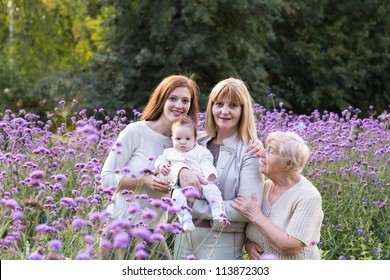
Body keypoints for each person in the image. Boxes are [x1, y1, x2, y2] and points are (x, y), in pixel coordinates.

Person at [100, 74, 200, 260]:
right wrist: (144, 181)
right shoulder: (136, 132)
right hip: (122, 227)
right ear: (162, 99)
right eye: (173, 98)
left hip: (154, 232)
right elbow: (105, 179)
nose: (179, 105)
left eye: (185, 100)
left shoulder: (185, 143)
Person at [173, 77, 264, 260]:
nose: (224, 111)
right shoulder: (194, 141)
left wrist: (190, 206)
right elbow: (169, 171)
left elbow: (246, 208)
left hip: (222, 241)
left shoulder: (249, 151)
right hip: (183, 237)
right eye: (219, 104)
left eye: (233, 106)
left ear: (243, 110)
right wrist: (179, 172)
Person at [231, 131, 324, 260]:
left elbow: (291, 247)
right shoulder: (264, 187)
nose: (261, 153)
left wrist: (256, 216)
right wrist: (249, 245)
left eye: (271, 151)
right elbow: (256, 232)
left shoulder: (308, 196)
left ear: (288, 164)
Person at [155, 115, 227, 232]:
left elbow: (206, 163)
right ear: (172, 139)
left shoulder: (201, 151)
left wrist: (210, 173)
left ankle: (218, 213)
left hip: (202, 183)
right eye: (178, 139)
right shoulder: (169, 153)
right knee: (177, 198)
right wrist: (161, 165)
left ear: (194, 139)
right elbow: (160, 159)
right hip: (181, 187)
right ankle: (185, 220)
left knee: (213, 192)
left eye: (187, 139)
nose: (183, 142)